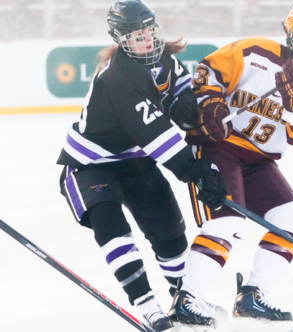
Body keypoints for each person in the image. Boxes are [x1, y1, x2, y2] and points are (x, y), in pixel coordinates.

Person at [166, 3, 293, 330]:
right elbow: (208, 71)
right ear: (291, 35)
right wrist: (212, 102)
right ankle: (187, 298)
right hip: (218, 147)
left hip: (260, 160)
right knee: (227, 224)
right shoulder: (255, 51)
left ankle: (253, 295)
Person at [56, 1, 227, 331]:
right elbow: (153, 131)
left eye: (150, 31)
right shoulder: (120, 74)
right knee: (113, 228)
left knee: (170, 232)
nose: (147, 40)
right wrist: (193, 170)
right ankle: (146, 303)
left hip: (135, 160)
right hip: (90, 164)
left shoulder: (164, 58)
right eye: (136, 36)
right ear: (120, 39)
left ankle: (184, 299)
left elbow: (179, 90)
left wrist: (193, 109)